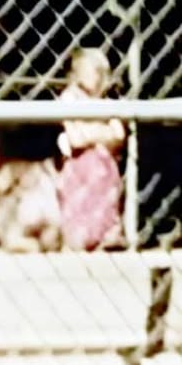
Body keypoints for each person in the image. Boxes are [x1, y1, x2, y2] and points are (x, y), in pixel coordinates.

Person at [57, 48, 126, 251]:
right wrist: (101, 132)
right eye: (86, 71)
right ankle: (81, 240)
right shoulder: (70, 97)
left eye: (95, 71)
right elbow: (76, 138)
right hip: (80, 162)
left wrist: (91, 132)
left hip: (105, 162)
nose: (91, 77)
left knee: (105, 171)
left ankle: (105, 237)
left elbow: (119, 135)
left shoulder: (105, 100)